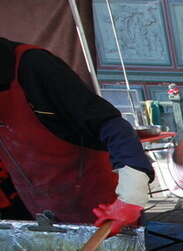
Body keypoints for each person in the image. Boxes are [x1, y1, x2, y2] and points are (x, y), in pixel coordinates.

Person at [0, 37, 153, 235]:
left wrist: (131, 196)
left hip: (98, 206)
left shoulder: (34, 65)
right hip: (37, 207)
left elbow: (114, 127)